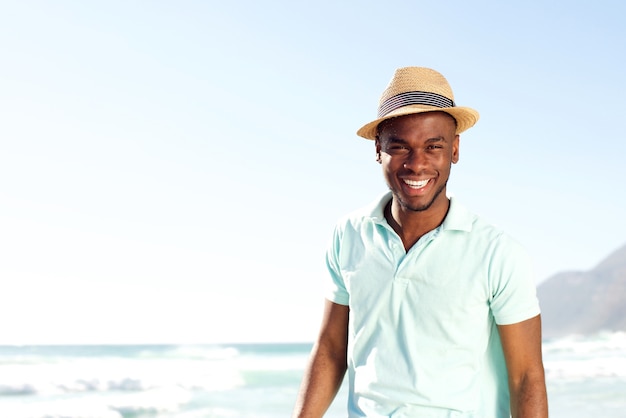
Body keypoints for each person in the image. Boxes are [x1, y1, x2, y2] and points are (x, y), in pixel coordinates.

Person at [292, 67, 548, 417]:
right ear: (377, 150)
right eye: (400, 147)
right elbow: (331, 349)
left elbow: (526, 378)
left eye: (433, 146)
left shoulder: (498, 253)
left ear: (455, 149)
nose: (416, 164)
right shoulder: (347, 235)